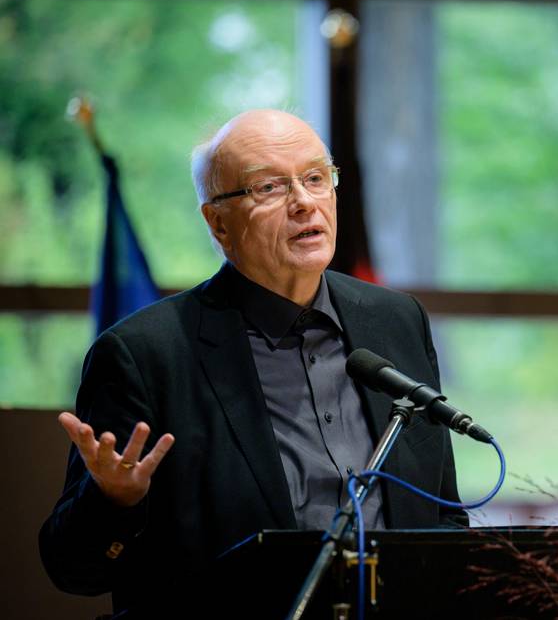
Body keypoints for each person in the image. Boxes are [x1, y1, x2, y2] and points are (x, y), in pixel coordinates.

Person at [39, 109, 466, 614]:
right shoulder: (145, 354)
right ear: (219, 223)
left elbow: (441, 515)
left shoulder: (395, 321)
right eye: (269, 188)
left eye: (315, 179)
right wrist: (115, 501)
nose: (305, 203)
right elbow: (73, 569)